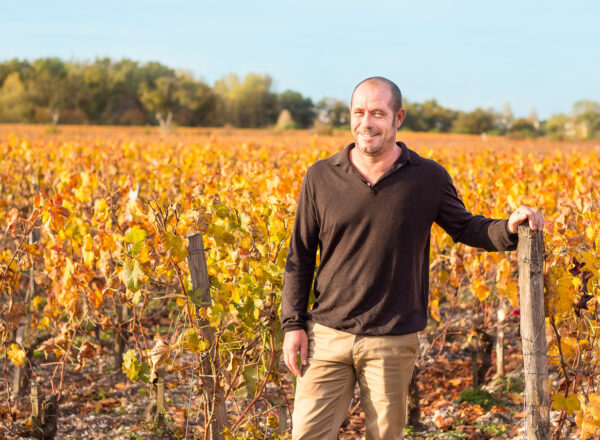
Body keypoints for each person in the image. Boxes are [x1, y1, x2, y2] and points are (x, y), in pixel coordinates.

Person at [280, 76, 544, 440]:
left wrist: (510, 228)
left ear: (398, 118)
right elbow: (302, 253)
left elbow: (466, 227)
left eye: (377, 113)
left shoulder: (427, 178)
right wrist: (293, 324)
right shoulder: (321, 176)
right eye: (359, 112)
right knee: (307, 434)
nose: (366, 123)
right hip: (328, 334)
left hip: (392, 339)